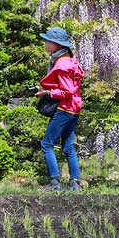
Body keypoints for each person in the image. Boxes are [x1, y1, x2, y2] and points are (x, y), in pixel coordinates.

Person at [36, 26, 85, 191]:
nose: (45, 43)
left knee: (47, 144)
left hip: (64, 108)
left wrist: (47, 92)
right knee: (68, 146)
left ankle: (55, 182)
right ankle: (75, 182)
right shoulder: (70, 61)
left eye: (48, 41)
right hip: (74, 107)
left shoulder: (62, 64)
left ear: (57, 45)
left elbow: (67, 91)